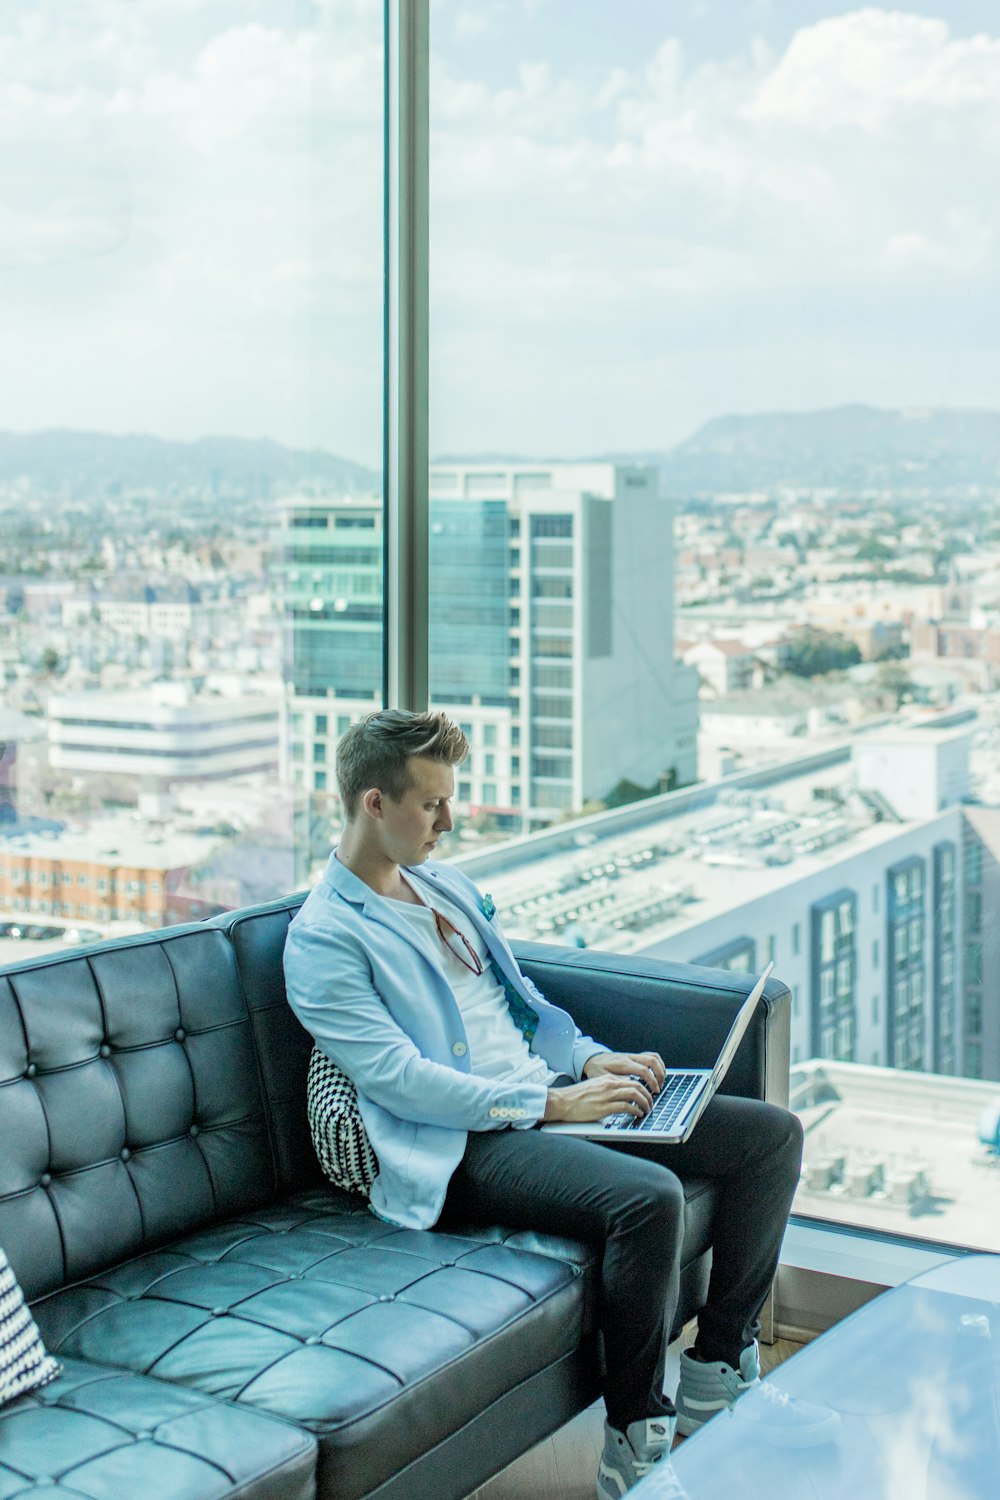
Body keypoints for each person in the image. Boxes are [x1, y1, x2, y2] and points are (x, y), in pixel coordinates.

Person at [283, 709, 825, 1498]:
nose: (447, 819)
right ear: (373, 803)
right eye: (430, 803)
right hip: (460, 1141)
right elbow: (401, 1080)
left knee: (770, 1136)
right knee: (647, 1199)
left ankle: (717, 1371)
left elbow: (522, 1001)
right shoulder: (325, 938)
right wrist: (552, 1106)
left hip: (546, 1100)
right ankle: (636, 1443)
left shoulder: (445, 886)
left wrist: (590, 1059)